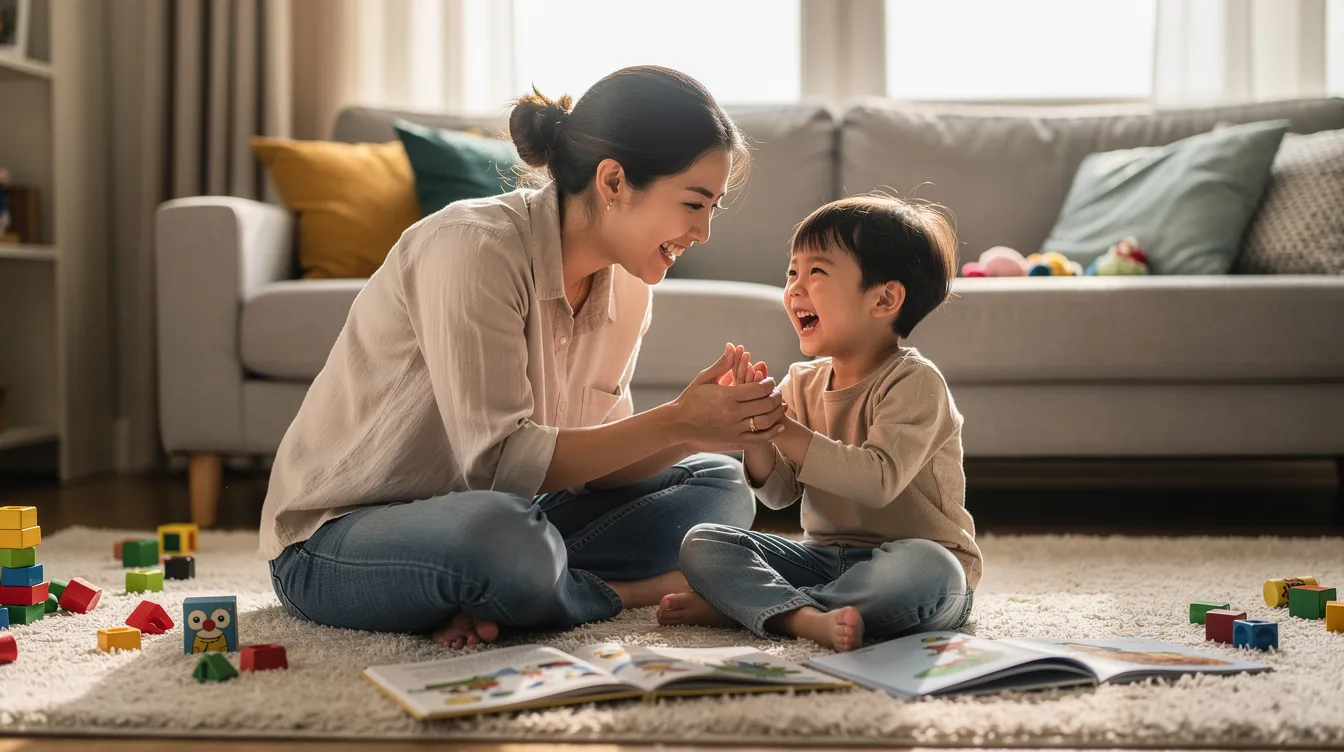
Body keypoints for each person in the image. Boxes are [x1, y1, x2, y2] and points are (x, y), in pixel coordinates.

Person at [261, 66, 790, 649]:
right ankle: (617, 591)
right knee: (501, 537)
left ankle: (512, 594)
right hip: (337, 541)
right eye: (694, 203)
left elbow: (593, 469)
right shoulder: (472, 248)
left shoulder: (630, 287)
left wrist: (696, 432)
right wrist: (675, 420)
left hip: (511, 517)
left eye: (712, 207)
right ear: (612, 181)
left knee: (721, 486)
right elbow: (496, 465)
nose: (704, 231)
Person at [656, 194, 982, 652]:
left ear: (884, 298)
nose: (794, 287)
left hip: (911, 560)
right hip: (824, 558)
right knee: (703, 542)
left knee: (930, 571)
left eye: (817, 272)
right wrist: (758, 431)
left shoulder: (916, 383)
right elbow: (779, 494)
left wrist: (783, 427)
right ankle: (804, 616)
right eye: (792, 272)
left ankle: (764, 609)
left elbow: (876, 481)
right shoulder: (801, 381)